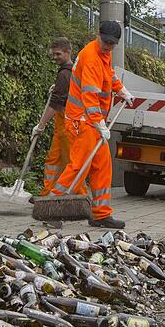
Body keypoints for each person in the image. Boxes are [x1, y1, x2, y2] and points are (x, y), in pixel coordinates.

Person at [52, 20, 135, 228]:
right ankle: (51, 207)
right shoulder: (90, 57)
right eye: (105, 41)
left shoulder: (103, 54)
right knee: (78, 166)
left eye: (112, 44)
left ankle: (101, 214)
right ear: (98, 34)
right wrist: (100, 124)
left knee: (103, 166)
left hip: (92, 122)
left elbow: (109, 75)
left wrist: (121, 90)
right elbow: (90, 96)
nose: (108, 46)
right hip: (82, 120)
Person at [33, 37, 74, 196]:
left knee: (70, 164)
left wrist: (41, 125)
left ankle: (80, 197)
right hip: (61, 128)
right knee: (53, 161)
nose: (55, 57)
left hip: (66, 126)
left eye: (58, 54)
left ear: (67, 52)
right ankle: (46, 195)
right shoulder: (69, 72)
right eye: (53, 54)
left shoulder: (65, 74)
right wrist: (57, 88)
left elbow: (55, 105)